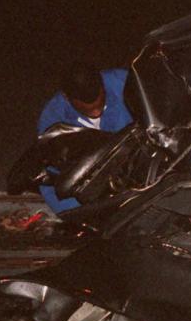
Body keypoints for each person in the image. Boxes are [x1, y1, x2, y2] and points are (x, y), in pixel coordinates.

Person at [36, 63, 134, 215]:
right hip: (96, 175)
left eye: (99, 105)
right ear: (67, 97)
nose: (96, 112)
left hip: (137, 158)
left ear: (103, 87)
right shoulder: (52, 121)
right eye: (88, 109)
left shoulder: (126, 82)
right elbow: (54, 179)